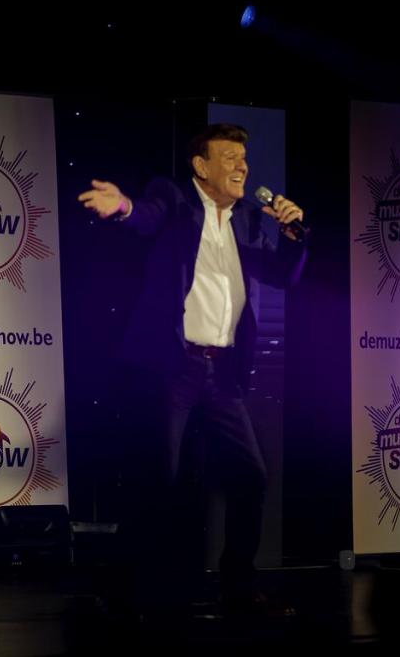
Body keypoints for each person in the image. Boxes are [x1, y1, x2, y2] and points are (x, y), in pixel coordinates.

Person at [78, 123, 306, 616]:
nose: (242, 167)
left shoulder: (249, 221)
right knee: (158, 480)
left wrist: (291, 237)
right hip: (172, 367)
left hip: (222, 374)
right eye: (229, 158)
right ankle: (125, 590)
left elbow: (281, 275)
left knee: (250, 477)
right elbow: (146, 216)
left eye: (243, 158)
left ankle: (238, 587)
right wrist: (124, 206)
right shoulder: (175, 199)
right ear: (201, 166)